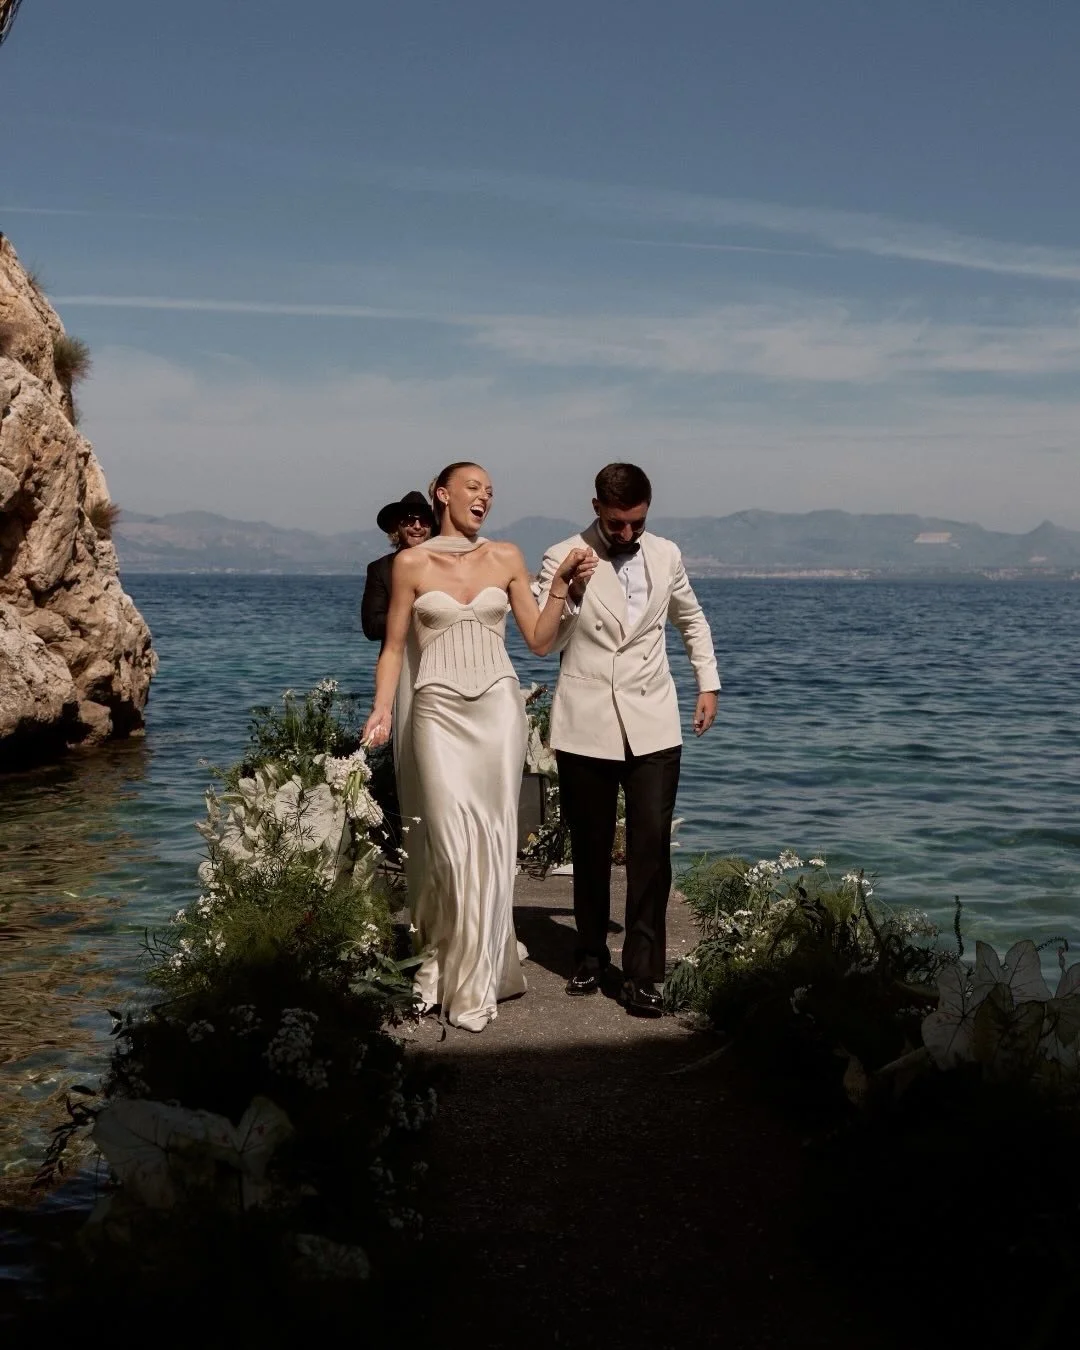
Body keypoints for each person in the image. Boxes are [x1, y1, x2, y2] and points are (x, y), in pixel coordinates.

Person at [362, 463, 597, 1032]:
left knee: (493, 840)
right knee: (447, 838)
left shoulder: (508, 557)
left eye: (491, 492)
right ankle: (446, 961)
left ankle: (479, 977)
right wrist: (382, 708)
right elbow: (393, 648)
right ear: (443, 493)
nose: (484, 498)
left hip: (498, 707)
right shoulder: (410, 564)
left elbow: (540, 641)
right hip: (436, 709)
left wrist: (566, 588)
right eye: (474, 488)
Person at [537, 463, 720, 1017]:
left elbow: (692, 620)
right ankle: (590, 954)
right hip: (585, 720)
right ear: (596, 507)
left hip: (654, 721)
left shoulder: (666, 554)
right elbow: (544, 641)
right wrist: (570, 589)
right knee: (590, 849)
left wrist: (706, 682)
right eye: (616, 524)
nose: (626, 535)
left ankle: (645, 974)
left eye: (635, 523)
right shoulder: (560, 555)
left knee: (651, 851)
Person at [361, 490, 436, 643]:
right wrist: (419, 616)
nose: (417, 526)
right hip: (399, 660)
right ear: (397, 526)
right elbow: (371, 626)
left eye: (425, 521)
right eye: (409, 520)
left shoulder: (446, 564)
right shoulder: (380, 569)